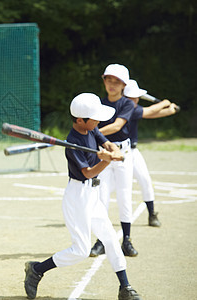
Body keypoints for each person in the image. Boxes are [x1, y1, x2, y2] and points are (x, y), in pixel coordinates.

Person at [24, 93, 141, 300]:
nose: (98, 121)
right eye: (94, 118)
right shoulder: (72, 143)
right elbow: (87, 172)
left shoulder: (91, 127)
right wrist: (107, 161)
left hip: (93, 194)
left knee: (111, 239)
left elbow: (105, 142)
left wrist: (112, 150)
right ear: (80, 120)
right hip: (78, 196)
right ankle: (37, 270)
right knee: (81, 250)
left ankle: (125, 287)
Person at [90, 64, 138, 257]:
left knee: (124, 196)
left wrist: (92, 132)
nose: (112, 84)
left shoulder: (127, 104)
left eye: (116, 81)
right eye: (108, 79)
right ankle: (101, 240)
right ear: (104, 81)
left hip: (123, 154)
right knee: (101, 198)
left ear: (123, 84)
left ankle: (126, 240)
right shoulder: (98, 103)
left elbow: (118, 125)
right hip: (104, 154)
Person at [124, 79, 179, 227]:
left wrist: (170, 110)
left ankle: (151, 214)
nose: (136, 99)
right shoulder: (128, 109)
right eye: (133, 97)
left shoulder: (134, 108)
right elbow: (151, 111)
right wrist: (165, 103)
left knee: (145, 181)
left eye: (136, 97)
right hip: (119, 153)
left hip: (133, 152)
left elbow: (149, 114)